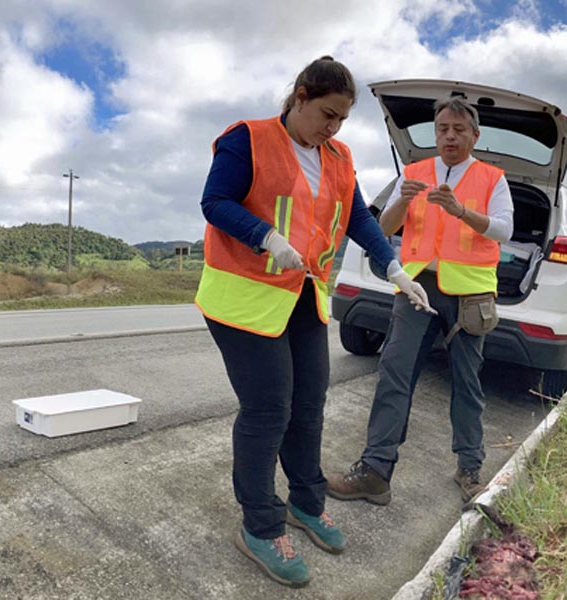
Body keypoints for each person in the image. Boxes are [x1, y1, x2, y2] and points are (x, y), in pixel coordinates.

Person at [196, 56, 432, 588]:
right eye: (327, 114)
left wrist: (393, 267)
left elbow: (357, 218)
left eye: (343, 120)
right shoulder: (248, 139)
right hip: (243, 297)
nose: (333, 128)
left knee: (309, 406)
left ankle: (306, 501)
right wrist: (267, 237)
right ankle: (260, 524)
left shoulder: (339, 157)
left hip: (302, 297)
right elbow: (215, 202)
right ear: (300, 97)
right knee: (268, 409)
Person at [326, 96, 514, 506]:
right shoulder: (413, 173)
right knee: (394, 373)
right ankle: (375, 471)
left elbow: (503, 229)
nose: (449, 135)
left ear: (474, 136)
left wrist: (461, 210)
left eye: (459, 129)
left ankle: (469, 469)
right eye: (443, 128)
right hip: (416, 289)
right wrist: (403, 201)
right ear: (436, 132)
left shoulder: (491, 178)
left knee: (467, 383)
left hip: (469, 294)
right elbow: (382, 228)